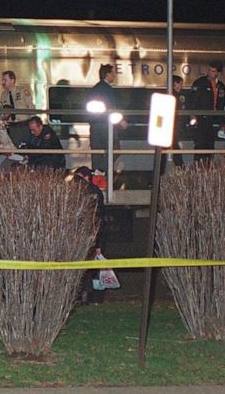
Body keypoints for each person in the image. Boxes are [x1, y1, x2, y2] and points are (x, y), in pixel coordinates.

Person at [73, 166, 107, 304]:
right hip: (94, 235)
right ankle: (93, 298)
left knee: (85, 270)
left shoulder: (82, 192)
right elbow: (100, 217)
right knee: (92, 270)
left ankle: (85, 297)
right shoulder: (96, 192)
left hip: (85, 235)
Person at [85, 64, 127, 172]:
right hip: (105, 125)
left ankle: (96, 176)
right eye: (113, 73)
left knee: (97, 153)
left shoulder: (95, 89)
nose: (114, 76)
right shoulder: (108, 90)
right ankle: (101, 169)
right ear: (107, 74)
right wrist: (120, 121)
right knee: (115, 149)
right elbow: (111, 107)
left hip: (94, 126)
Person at [189, 60, 225, 164]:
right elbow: (193, 100)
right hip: (201, 119)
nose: (210, 73)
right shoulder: (200, 83)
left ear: (218, 73)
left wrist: (222, 122)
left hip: (212, 119)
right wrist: (193, 116)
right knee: (200, 145)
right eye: (210, 70)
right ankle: (198, 169)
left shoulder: (221, 86)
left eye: (213, 71)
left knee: (210, 145)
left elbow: (221, 105)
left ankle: (208, 169)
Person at [0, 70, 33, 145]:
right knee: (15, 146)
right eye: (2, 80)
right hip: (12, 126)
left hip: (24, 124)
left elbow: (31, 107)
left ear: (12, 80)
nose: (3, 82)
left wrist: (32, 121)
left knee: (28, 146)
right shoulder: (3, 95)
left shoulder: (22, 91)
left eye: (5, 80)